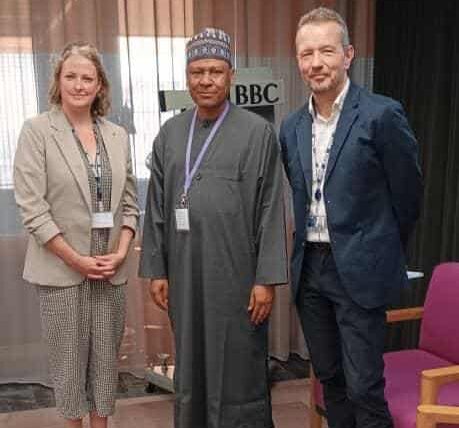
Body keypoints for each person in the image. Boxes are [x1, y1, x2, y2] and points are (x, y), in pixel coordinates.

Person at [279, 7, 422, 428]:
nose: (316, 62)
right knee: (330, 379)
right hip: (311, 272)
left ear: (348, 54)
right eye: (306, 54)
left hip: (360, 270)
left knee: (364, 386)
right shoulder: (290, 127)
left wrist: (378, 248)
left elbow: (408, 196)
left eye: (326, 50)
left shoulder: (381, 115)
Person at [139, 28, 288, 428]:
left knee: (239, 366)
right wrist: (156, 268)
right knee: (190, 364)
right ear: (187, 76)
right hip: (185, 274)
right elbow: (156, 203)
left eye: (215, 71)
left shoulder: (258, 134)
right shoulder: (170, 134)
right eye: (198, 71)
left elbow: (272, 207)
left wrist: (266, 280)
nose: (206, 80)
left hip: (238, 277)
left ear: (231, 76)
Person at [13, 41, 139, 428]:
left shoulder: (117, 135)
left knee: (105, 362)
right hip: (62, 272)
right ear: (58, 81)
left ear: (100, 84)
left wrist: (120, 252)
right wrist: (76, 260)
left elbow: (131, 203)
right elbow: (33, 209)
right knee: (68, 366)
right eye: (71, 76)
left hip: (108, 270)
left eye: (88, 77)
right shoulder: (37, 131)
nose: (79, 85)